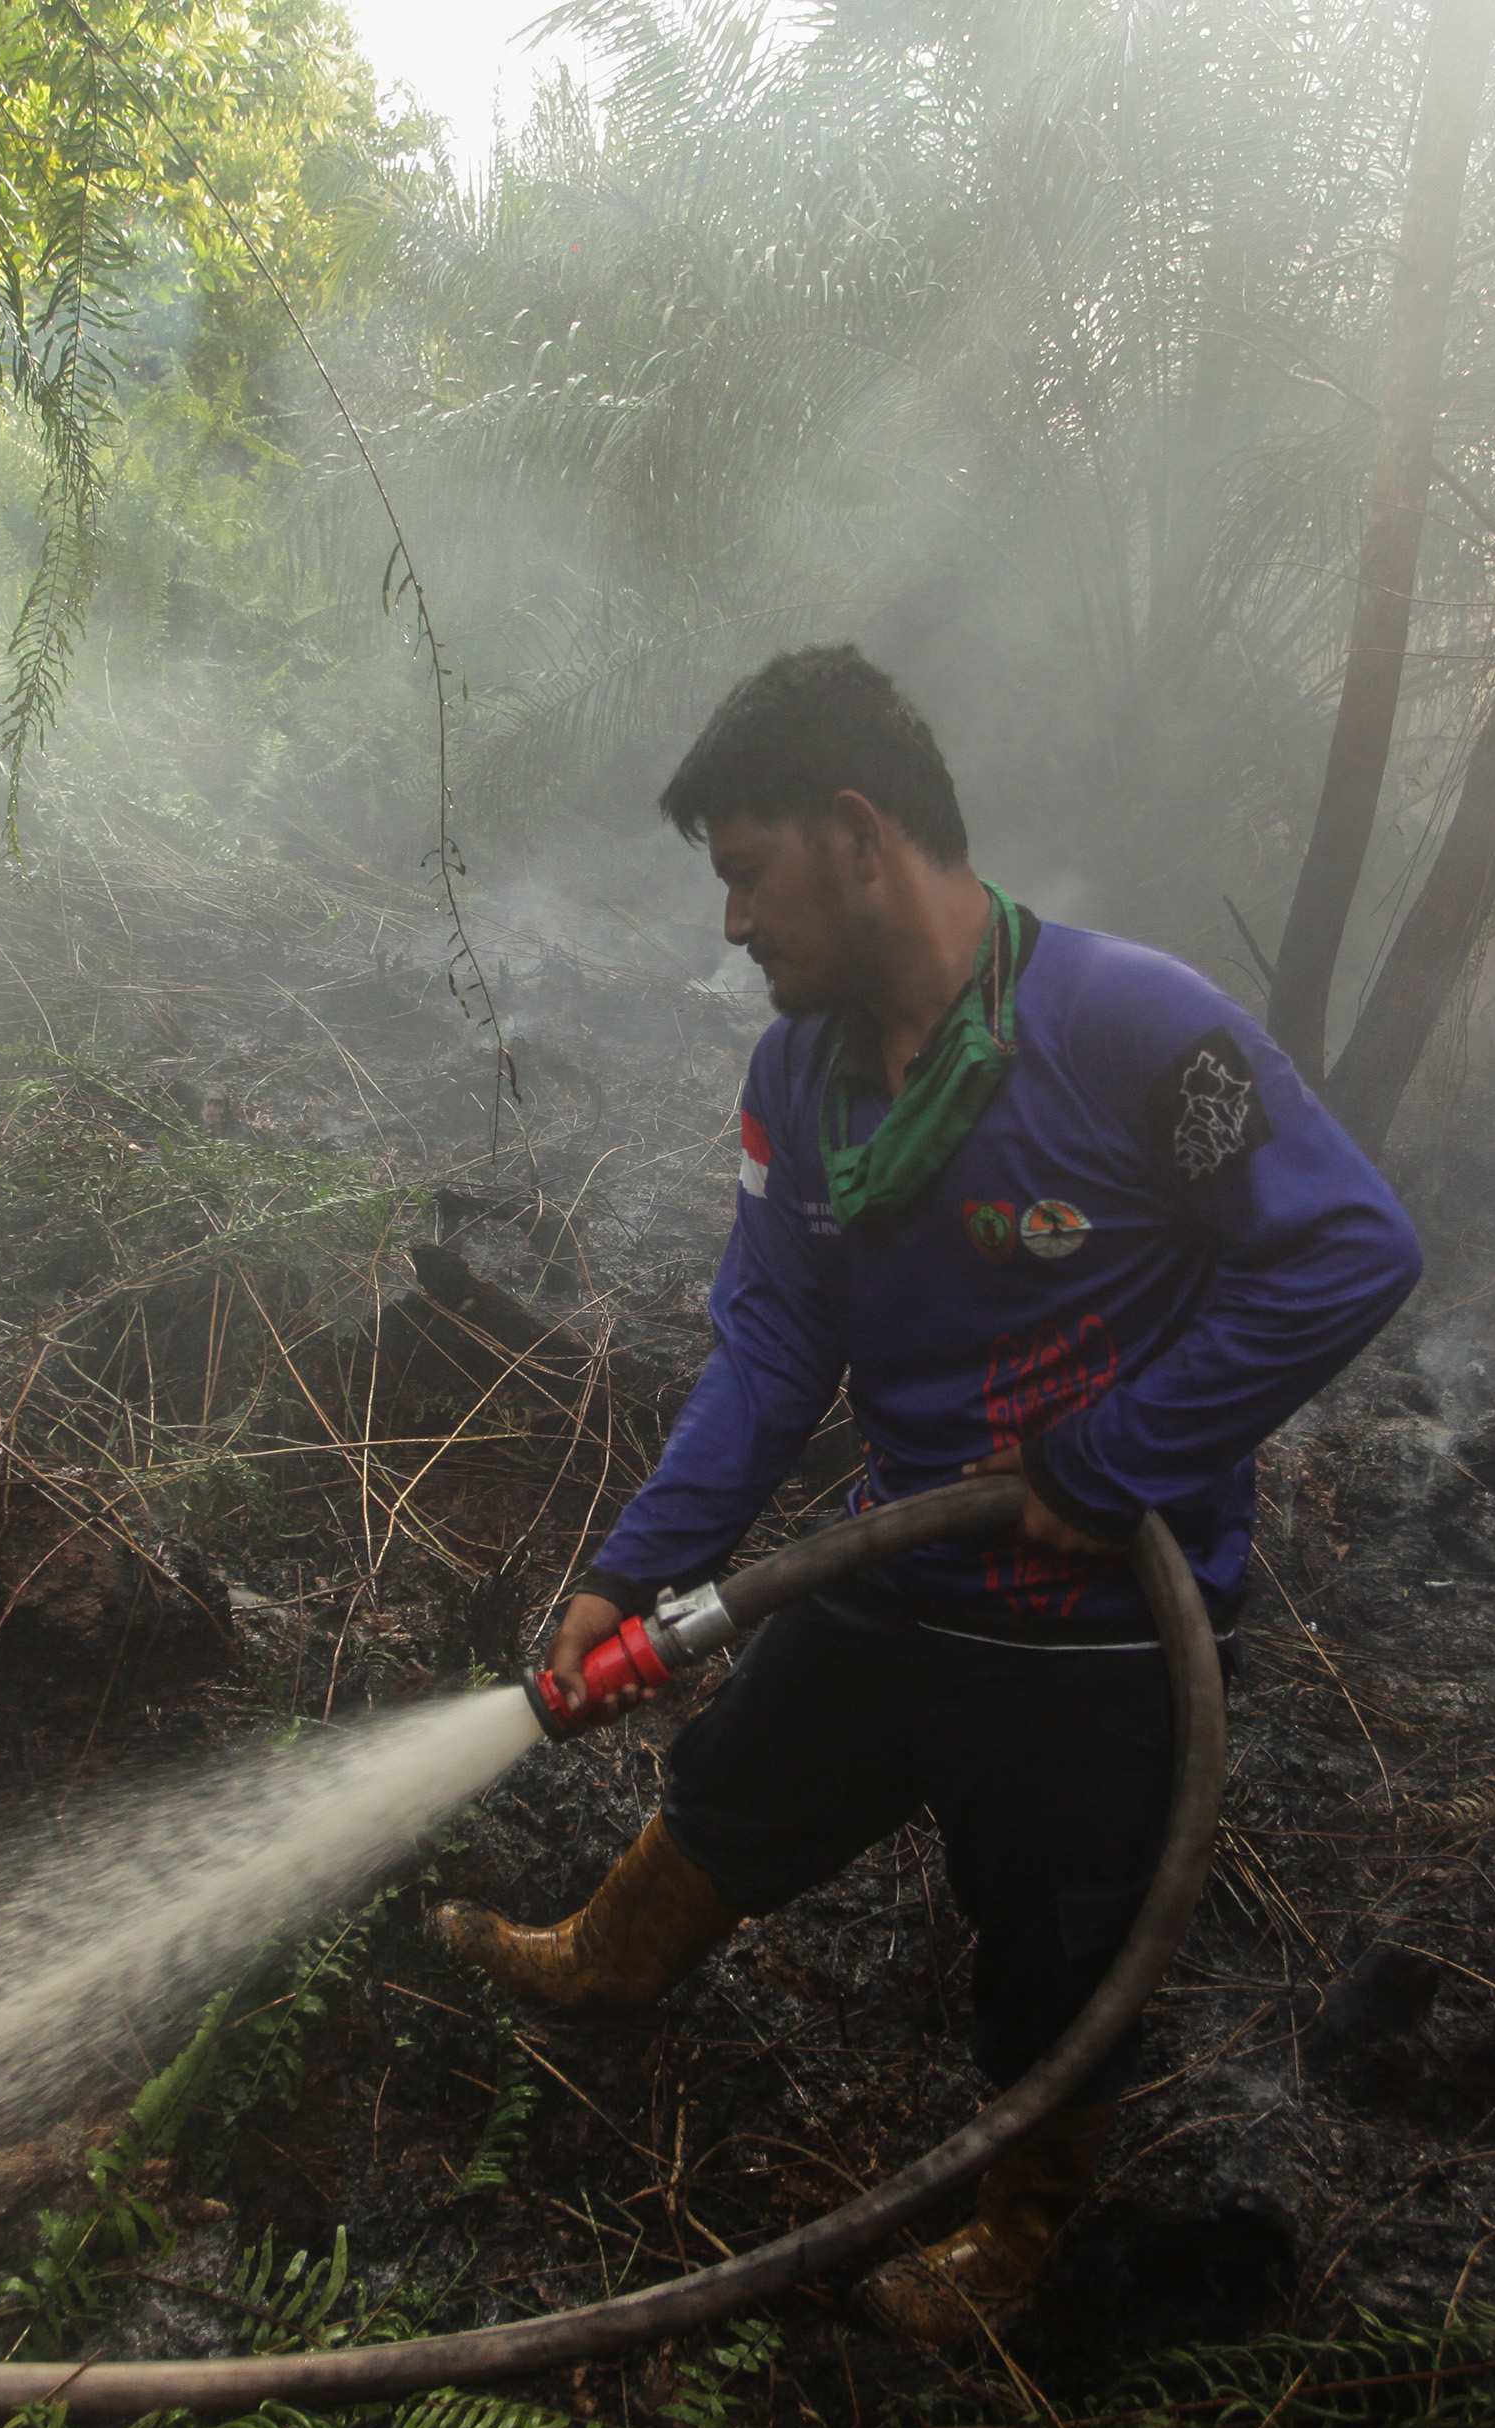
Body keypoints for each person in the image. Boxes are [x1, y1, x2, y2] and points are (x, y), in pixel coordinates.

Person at [430, 647, 1422, 2341]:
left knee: (1056, 1956)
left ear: (856, 831)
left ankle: (1021, 2225)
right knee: (737, 1776)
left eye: (745, 873)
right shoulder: (796, 1087)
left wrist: (1109, 1458)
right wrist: (636, 1566)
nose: (731, 922)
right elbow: (765, 1356)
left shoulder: (1130, 1029)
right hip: (900, 1568)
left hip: (1101, 1628)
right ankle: (601, 1955)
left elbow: (1347, 1248)